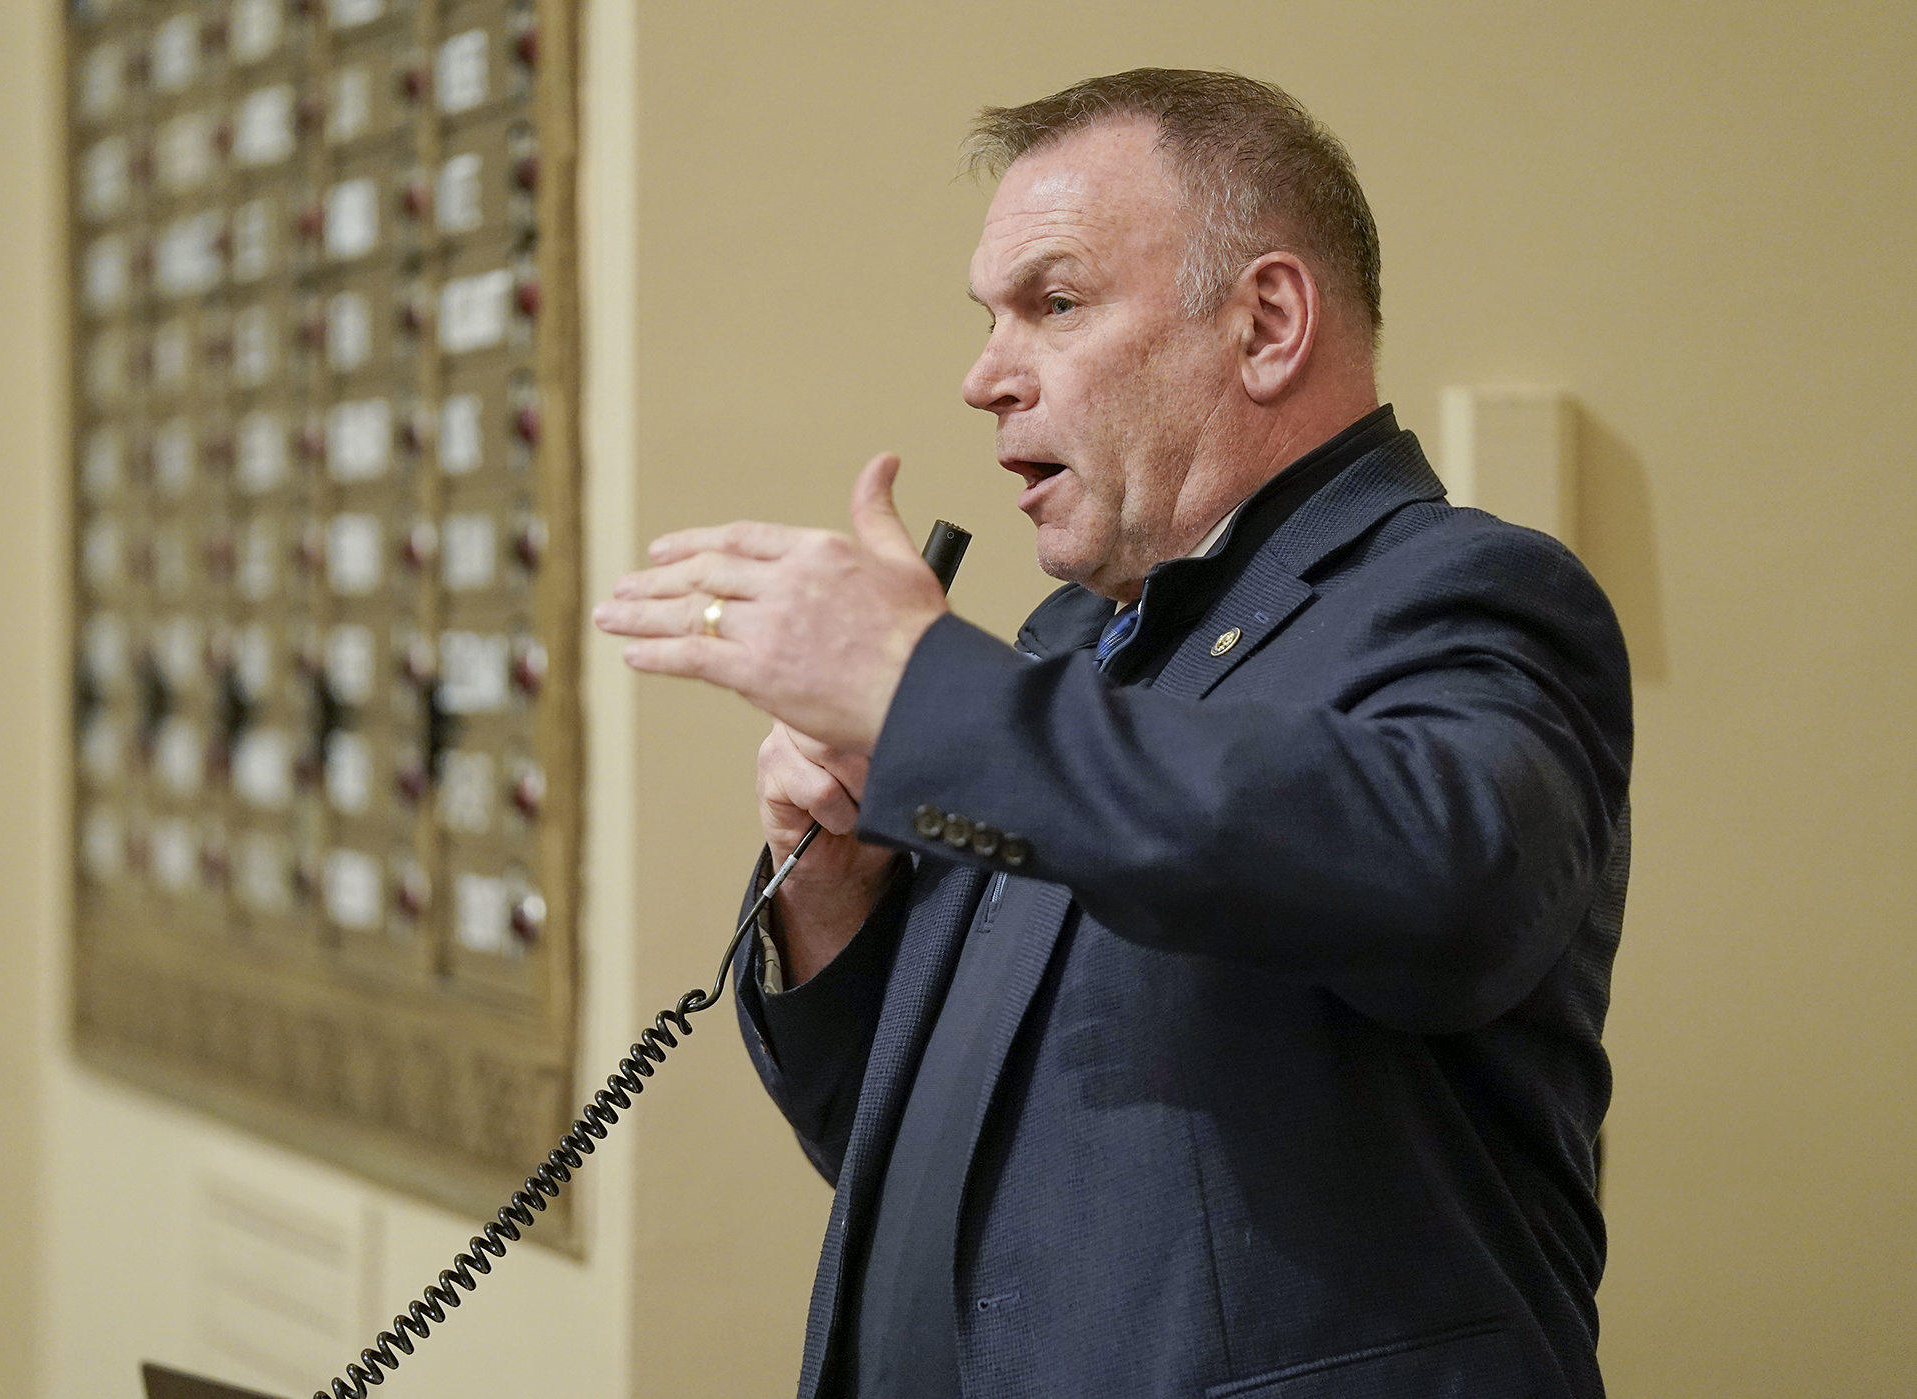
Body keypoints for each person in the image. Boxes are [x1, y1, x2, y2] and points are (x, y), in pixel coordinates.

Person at [592, 68, 1630, 1399]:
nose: (983, 378)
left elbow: (1452, 880)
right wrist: (840, 881)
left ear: (1265, 322)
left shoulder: (1460, 591)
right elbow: (907, 1145)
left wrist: (922, 698)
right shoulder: (1068, 649)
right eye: (988, 318)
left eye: (1056, 304)